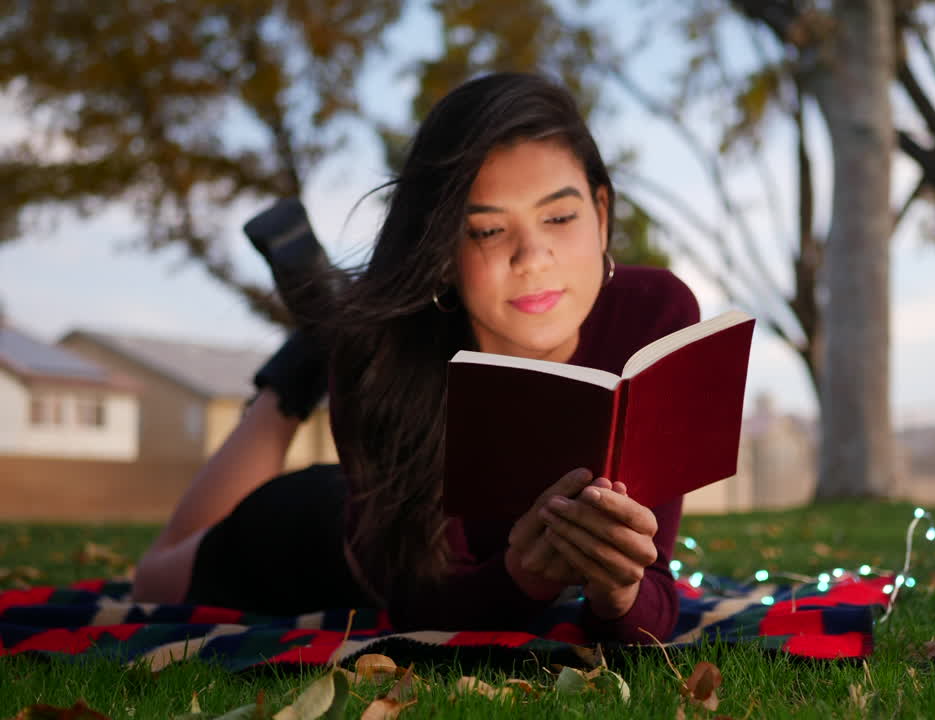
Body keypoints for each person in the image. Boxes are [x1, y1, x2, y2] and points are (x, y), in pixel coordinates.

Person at [130, 72, 699, 645]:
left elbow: (651, 595)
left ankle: (326, 321)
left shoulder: (657, 318)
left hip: (387, 475)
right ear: (444, 250)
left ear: (601, 212)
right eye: (488, 229)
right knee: (153, 581)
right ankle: (305, 362)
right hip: (333, 538)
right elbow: (416, 604)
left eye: (558, 217)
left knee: (352, 336)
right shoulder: (383, 358)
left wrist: (621, 588)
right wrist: (522, 575)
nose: (531, 256)